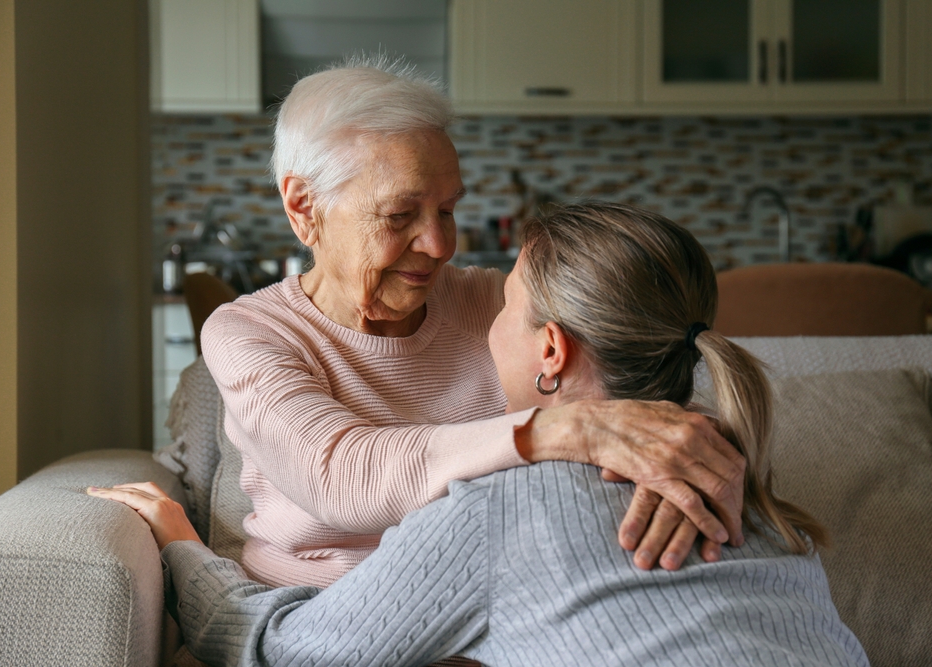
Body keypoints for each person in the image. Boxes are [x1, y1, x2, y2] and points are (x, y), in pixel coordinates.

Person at [91, 202, 869, 667]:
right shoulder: (752, 498)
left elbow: (284, 650)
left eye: (504, 306)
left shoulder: (502, 510)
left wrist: (180, 543)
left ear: (552, 350)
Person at [192, 54, 744, 589]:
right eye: (399, 215)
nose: (439, 245)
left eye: (448, 210)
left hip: (494, 616)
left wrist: (698, 460)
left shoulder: (499, 305)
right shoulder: (250, 333)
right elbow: (340, 476)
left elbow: (642, 367)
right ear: (303, 208)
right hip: (318, 620)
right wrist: (565, 429)